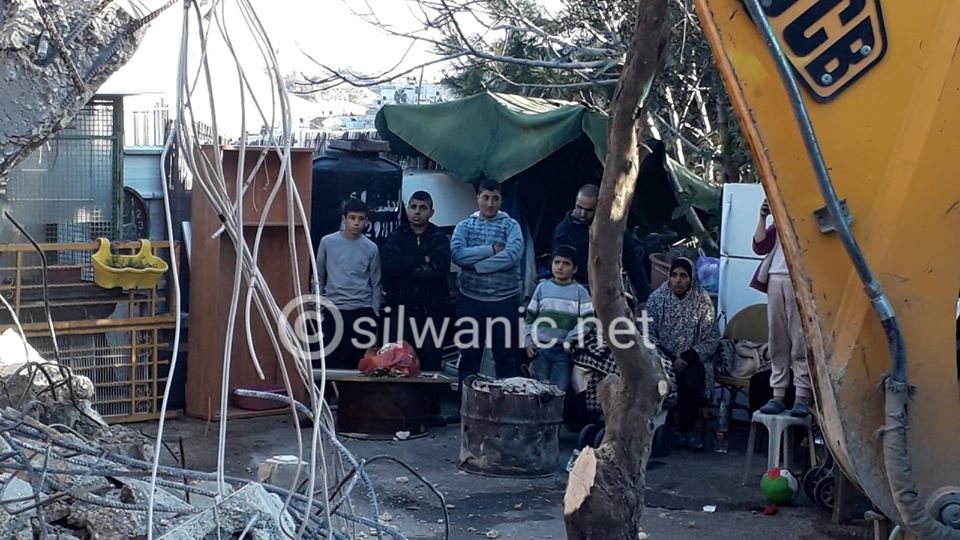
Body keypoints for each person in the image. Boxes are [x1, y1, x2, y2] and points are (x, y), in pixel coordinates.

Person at [450, 178, 524, 381]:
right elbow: (457, 255)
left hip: (505, 302)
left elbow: (512, 255)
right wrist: (490, 250)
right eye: (485, 198)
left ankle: (505, 410)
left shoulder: (511, 226)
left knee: (506, 359)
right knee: (469, 358)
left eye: (495, 198)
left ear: (501, 200)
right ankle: (464, 409)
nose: (490, 203)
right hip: (471, 301)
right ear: (477, 198)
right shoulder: (464, 226)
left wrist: (477, 266)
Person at [645, 256, 720, 450]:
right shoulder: (656, 299)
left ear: (691, 278)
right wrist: (671, 358)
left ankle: (687, 430)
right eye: (674, 275)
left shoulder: (702, 301)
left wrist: (686, 357)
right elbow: (648, 334)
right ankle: (666, 430)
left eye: (683, 276)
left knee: (692, 378)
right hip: (663, 357)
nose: (678, 280)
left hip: (693, 358)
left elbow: (711, 338)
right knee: (662, 377)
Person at [751, 199, 812, 418]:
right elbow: (759, 245)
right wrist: (762, 217)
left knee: (799, 342)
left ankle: (801, 396)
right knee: (778, 340)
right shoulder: (777, 227)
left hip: (799, 284)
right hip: (776, 281)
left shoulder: (808, 226)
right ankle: (777, 395)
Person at [381, 191, 451, 372]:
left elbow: (439, 269)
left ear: (431, 212)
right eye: (413, 207)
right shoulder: (397, 236)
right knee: (397, 363)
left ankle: (429, 401)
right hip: (400, 312)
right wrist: (423, 259)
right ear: (407, 209)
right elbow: (390, 266)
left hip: (431, 313)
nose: (417, 212)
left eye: (422, 208)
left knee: (430, 363)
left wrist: (406, 266)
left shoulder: (439, 237)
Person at [553, 184, 651, 303]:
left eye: (589, 210)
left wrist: (644, 298)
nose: (583, 214)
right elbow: (559, 266)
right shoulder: (564, 230)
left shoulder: (613, 229)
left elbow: (632, 263)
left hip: (608, 292)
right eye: (579, 208)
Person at [316, 198, 382, 370]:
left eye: (361, 219)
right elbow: (319, 276)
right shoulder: (327, 242)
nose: (356, 223)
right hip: (333, 308)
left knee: (356, 361)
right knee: (327, 359)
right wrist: (319, 302)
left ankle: (353, 397)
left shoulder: (371, 248)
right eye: (352, 218)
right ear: (344, 218)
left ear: (366, 221)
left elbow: (376, 282)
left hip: (361, 309)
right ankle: (325, 396)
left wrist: (374, 311)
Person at [524, 245, 594, 391]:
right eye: (557, 262)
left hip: (563, 351)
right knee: (536, 390)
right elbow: (529, 317)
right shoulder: (542, 288)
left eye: (566, 263)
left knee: (558, 391)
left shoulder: (580, 292)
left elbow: (588, 320)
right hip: (540, 349)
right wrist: (528, 341)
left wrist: (571, 338)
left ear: (574, 269)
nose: (560, 267)